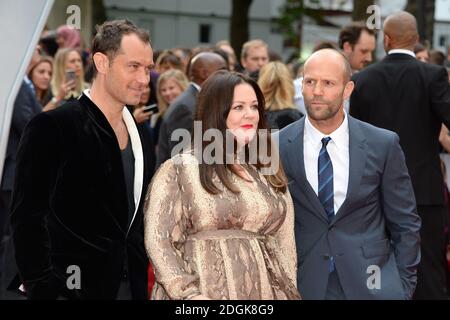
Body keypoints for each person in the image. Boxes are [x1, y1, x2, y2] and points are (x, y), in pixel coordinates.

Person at [10, 19, 156, 300]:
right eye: (133, 66)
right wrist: (44, 287)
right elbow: (27, 218)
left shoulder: (141, 136)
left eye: (148, 68)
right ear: (102, 63)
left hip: (130, 288)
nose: (144, 79)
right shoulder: (53, 126)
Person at [277, 48, 421, 300]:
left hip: (372, 284)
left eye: (328, 83)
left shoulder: (382, 143)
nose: (317, 91)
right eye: (310, 81)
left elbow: (405, 222)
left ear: (347, 89)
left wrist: (402, 286)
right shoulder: (276, 145)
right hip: (303, 283)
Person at [144, 70, 300, 300]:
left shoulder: (267, 170)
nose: (250, 115)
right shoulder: (180, 169)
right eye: (239, 107)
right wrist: (190, 296)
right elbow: (160, 242)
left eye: (255, 107)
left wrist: (288, 292)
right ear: (216, 112)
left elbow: (285, 244)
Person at [350, 11, 450, 300]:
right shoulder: (433, 75)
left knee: (376, 268)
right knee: (428, 268)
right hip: (423, 191)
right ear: (417, 39)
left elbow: (354, 139)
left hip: (374, 191)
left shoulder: (364, 79)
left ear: (386, 40)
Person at [0, 46, 43, 299]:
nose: (37, 48)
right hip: (15, 172)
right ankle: (9, 288)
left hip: (20, 172)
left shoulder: (24, 84)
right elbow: (27, 123)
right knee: (15, 234)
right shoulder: (18, 85)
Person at [156, 52, 227, 167]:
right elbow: (182, 160)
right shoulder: (186, 107)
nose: (228, 74)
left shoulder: (196, 100)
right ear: (204, 73)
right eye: (223, 70)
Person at [257, 61, 303, 129]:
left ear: (261, 84)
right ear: (289, 85)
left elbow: (263, 139)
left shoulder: (256, 118)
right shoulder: (298, 119)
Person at [152, 69, 189, 146]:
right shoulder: (161, 118)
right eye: (163, 90)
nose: (167, 93)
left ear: (182, 87)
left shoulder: (190, 112)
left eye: (171, 88)